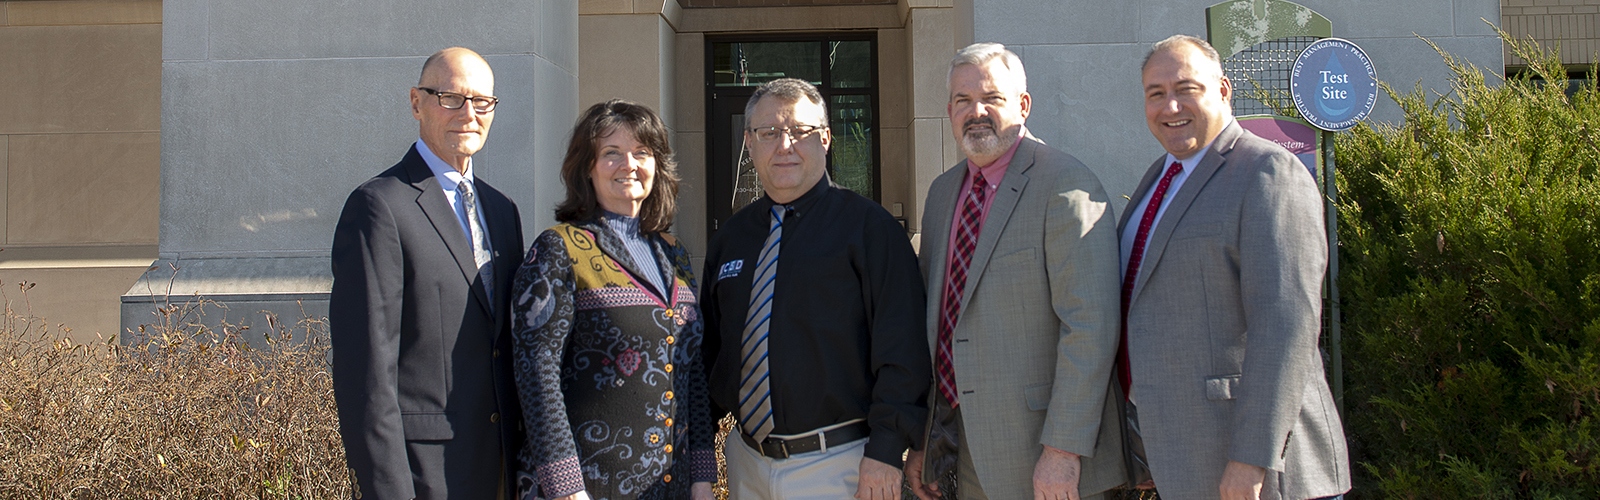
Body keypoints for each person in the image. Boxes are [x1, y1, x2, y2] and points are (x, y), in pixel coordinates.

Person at [1120, 34, 1350, 500]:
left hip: (1258, 472)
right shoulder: (1157, 179)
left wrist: (1253, 458)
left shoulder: (1268, 173)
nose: (1170, 106)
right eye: (1156, 93)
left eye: (1187, 88)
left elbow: (1285, 326)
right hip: (1185, 456)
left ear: (1224, 90)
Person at [904, 42, 1125, 500]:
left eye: (992, 98)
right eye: (963, 101)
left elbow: (1091, 327)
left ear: (1023, 105)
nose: (976, 111)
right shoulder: (943, 193)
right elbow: (938, 324)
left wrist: (1063, 450)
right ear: (948, 111)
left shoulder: (1066, 183)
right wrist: (927, 438)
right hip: (961, 449)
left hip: (1046, 457)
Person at [700, 78, 930, 500]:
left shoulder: (870, 230)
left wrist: (885, 451)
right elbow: (712, 352)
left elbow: (903, 351)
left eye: (801, 131)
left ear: (825, 139)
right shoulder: (732, 239)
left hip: (841, 463)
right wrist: (700, 454)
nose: (784, 144)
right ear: (749, 144)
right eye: (768, 133)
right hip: (746, 462)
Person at [329, 46, 523, 500]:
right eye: (450, 97)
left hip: (502, 472)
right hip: (425, 475)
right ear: (416, 102)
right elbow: (366, 374)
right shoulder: (379, 206)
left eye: (482, 102)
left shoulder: (502, 210)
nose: (468, 113)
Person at [510, 100, 716, 500]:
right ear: (586, 167)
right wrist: (566, 488)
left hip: (669, 488)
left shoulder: (674, 254)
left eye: (642, 152)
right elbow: (537, 374)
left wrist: (703, 477)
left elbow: (692, 377)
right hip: (587, 487)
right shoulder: (559, 249)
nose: (629, 164)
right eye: (611, 153)